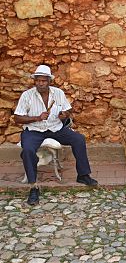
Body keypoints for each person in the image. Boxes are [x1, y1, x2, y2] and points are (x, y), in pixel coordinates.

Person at [14, 65, 98, 206]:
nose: (40, 83)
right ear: (34, 81)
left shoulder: (58, 93)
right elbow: (17, 118)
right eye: (38, 80)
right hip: (34, 130)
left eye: (43, 80)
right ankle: (33, 187)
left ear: (49, 81)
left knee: (79, 139)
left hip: (55, 128)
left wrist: (64, 115)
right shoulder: (27, 95)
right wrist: (36, 118)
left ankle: (83, 175)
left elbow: (68, 110)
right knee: (28, 150)